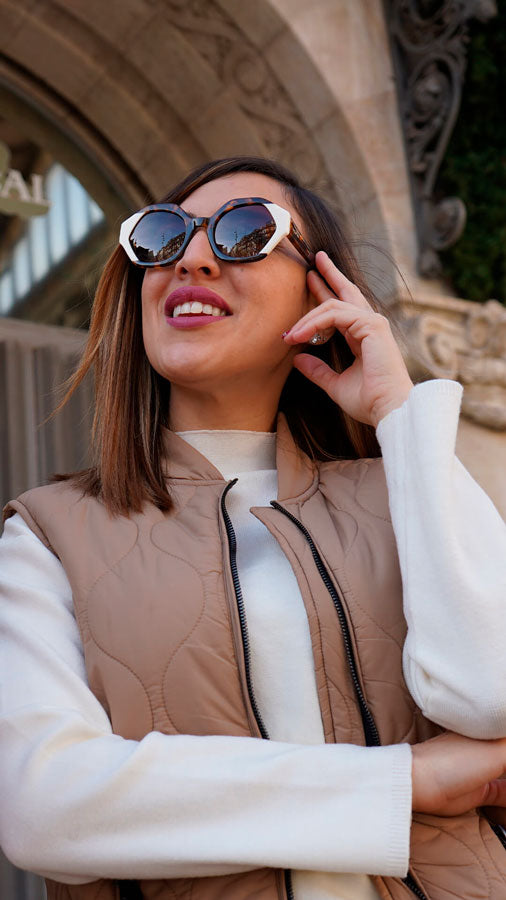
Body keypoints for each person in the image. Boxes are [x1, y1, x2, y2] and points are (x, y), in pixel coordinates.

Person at [1, 156, 506, 900]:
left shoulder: (403, 492)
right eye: (162, 237)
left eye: (243, 231)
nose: (191, 259)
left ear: (320, 290)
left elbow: (490, 696)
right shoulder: (48, 536)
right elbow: (44, 805)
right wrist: (405, 782)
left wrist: (400, 415)